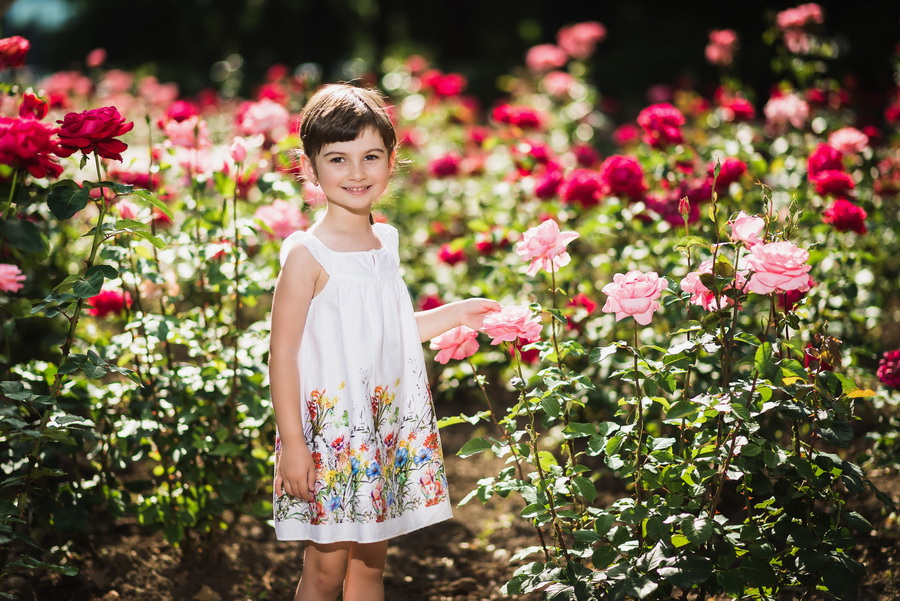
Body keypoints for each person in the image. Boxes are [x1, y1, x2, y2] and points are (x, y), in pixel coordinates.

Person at [268, 83, 499, 601]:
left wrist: (455, 314)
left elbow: (388, 332)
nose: (356, 173)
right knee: (325, 570)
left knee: (370, 567)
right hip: (330, 437)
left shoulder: (384, 243)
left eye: (371, 156)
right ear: (309, 167)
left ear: (392, 161)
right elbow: (281, 354)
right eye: (338, 159)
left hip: (378, 430)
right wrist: (295, 447)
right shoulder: (307, 255)